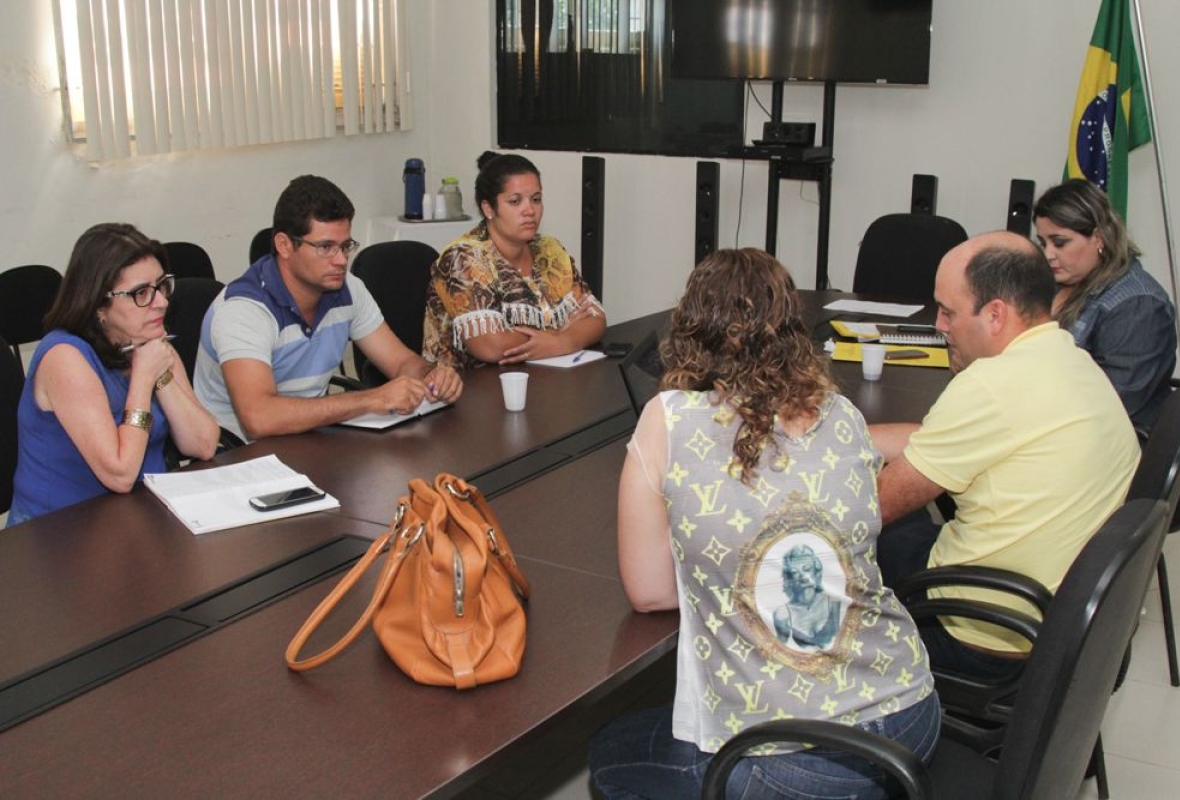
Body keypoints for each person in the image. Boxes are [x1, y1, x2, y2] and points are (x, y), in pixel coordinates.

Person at [590, 249, 939, 799]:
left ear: (689, 329)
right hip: (911, 715)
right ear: (792, 330)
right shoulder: (840, 412)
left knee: (613, 754)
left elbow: (651, 593)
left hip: (792, 762)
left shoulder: (669, 419)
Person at [871, 231, 1140, 681]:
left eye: (948, 311)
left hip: (980, 634)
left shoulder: (988, 387)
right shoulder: (1070, 361)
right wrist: (850, 431)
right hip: (1059, 623)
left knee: (829, 546)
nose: (939, 324)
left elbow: (869, 507)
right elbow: (942, 439)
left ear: (995, 314)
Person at [195, 175, 462, 441]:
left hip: (310, 437)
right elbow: (259, 418)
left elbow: (401, 362)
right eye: (325, 247)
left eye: (346, 246)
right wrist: (371, 399)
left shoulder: (347, 288)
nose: (341, 260)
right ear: (284, 245)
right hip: (239, 455)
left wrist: (434, 376)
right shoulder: (243, 311)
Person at [7, 223, 219, 526]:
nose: (161, 302)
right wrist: (143, 380)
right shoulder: (65, 358)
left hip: (136, 518)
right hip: (57, 535)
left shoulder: (150, 341)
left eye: (161, 286)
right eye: (141, 293)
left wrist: (159, 374)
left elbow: (202, 444)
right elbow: (120, 473)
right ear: (99, 306)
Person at [422, 152, 606, 369]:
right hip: (466, 389)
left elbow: (596, 319)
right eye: (515, 201)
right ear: (488, 208)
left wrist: (561, 341)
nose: (530, 211)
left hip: (540, 378)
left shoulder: (550, 249)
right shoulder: (464, 258)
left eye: (536, 199)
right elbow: (492, 346)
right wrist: (558, 331)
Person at [1034, 178, 1177, 436]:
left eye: (1060, 242)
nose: (1048, 254)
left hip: (1107, 443)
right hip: (1053, 423)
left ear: (1098, 238)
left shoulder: (1138, 305)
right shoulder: (1057, 283)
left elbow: (1112, 406)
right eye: (1043, 243)